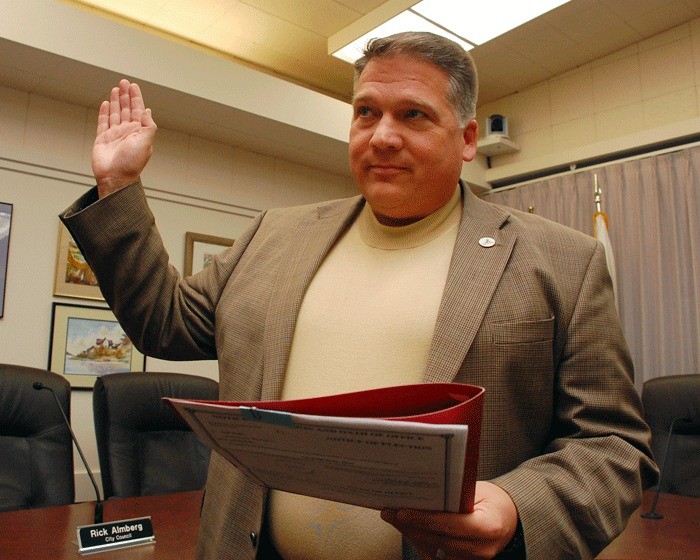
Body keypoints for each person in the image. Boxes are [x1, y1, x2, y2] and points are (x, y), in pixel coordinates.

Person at [61, 32, 657, 560]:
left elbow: (613, 448)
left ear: (469, 138)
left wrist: (516, 505)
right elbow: (164, 324)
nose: (383, 136)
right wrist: (119, 184)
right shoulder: (274, 236)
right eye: (366, 112)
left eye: (414, 116)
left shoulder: (560, 261)